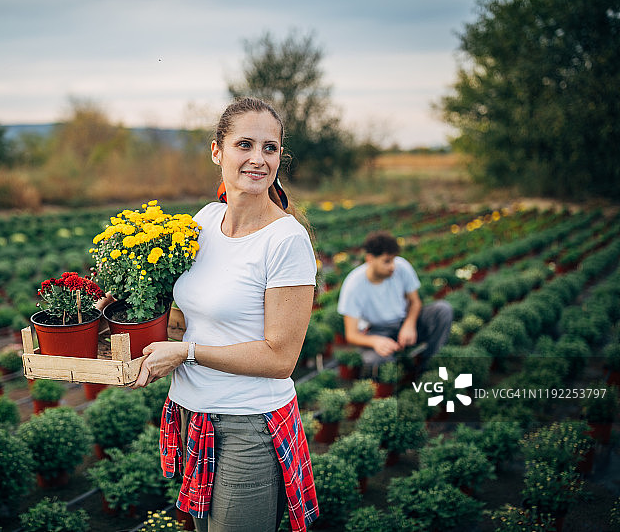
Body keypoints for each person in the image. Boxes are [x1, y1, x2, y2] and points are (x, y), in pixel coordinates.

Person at [131, 97, 319, 532]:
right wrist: (125, 332)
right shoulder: (205, 220)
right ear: (217, 151)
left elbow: (279, 359)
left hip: (248, 426)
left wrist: (185, 353)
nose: (258, 159)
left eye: (269, 148)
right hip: (194, 416)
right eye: (244, 145)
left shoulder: (285, 241)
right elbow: (185, 318)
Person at [336, 230, 453, 375]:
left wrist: (409, 324)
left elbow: (415, 302)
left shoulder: (401, 267)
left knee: (443, 310)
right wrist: (375, 341)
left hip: (404, 321)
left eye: (393, 259)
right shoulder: (353, 285)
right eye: (387, 261)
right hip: (378, 330)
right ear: (370, 259)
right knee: (375, 359)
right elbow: (351, 335)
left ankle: (427, 366)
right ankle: (398, 377)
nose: (393, 266)